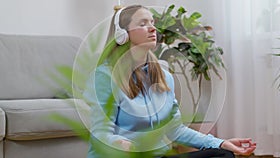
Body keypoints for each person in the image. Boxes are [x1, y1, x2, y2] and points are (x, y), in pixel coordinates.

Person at [84, 4, 256, 158]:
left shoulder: (163, 76)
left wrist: (221, 142)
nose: (152, 28)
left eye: (152, 23)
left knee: (222, 154)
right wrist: (123, 145)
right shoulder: (105, 77)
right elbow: (101, 133)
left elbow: (175, 129)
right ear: (122, 35)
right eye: (143, 24)